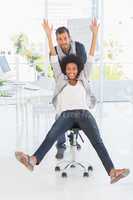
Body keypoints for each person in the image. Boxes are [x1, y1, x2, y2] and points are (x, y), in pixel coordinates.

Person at [15, 19, 129, 184]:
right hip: (66, 116)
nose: (71, 71)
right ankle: (32, 161)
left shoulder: (83, 77)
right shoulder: (61, 78)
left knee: (98, 141)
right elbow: (54, 58)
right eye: (68, 69)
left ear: (78, 69)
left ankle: (112, 172)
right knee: (51, 135)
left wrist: (95, 34)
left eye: (74, 68)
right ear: (65, 70)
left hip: (84, 115)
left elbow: (90, 57)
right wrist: (48, 36)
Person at [42, 19, 96, 159]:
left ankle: (74, 133)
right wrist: (48, 35)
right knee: (59, 116)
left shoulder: (79, 47)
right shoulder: (54, 52)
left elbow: (85, 68)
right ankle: (61, 146)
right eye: (59, 39)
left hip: (79, 85)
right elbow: (57, 71)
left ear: (69, 37)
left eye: (65, 38)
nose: (63, 41)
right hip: (64, 85)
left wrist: (95, 34)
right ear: (57, 40)